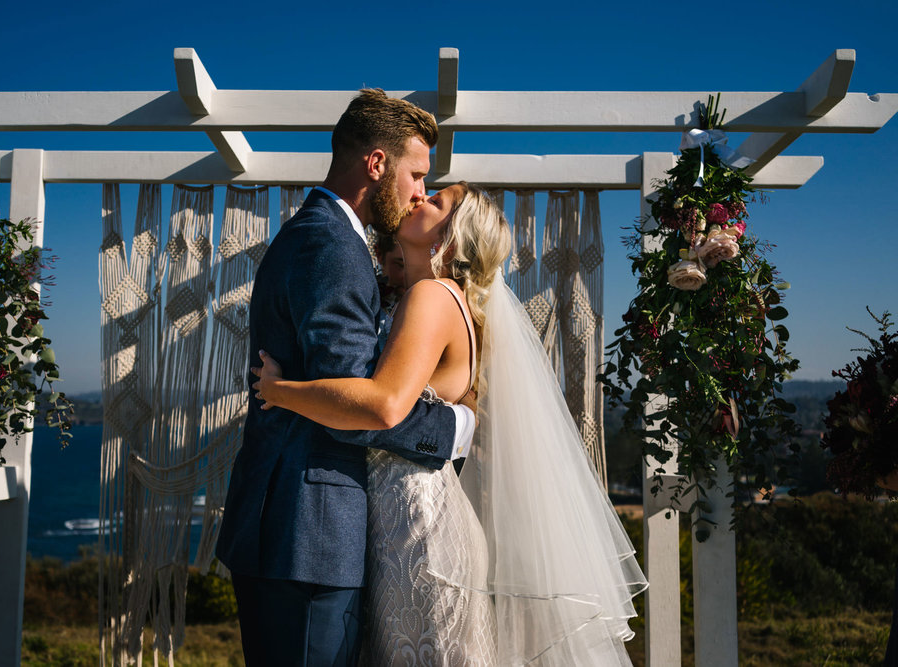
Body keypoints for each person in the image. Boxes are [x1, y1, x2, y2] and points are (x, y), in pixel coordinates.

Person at [254, 183, 648, 665]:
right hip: (412, 515)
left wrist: (280, 391)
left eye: (435, 202)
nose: (419, 199)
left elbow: (383, 405)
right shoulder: (441, 299)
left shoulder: (432, 297)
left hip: (415, 524)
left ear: (450, 240)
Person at [214, 89, 477, 666]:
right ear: (376, 163)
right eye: (415, 174)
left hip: (300, 531)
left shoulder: (331, 238)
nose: (418, 193)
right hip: (306, 534)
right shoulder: (331, 244)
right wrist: (455, 428)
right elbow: (360, 406)